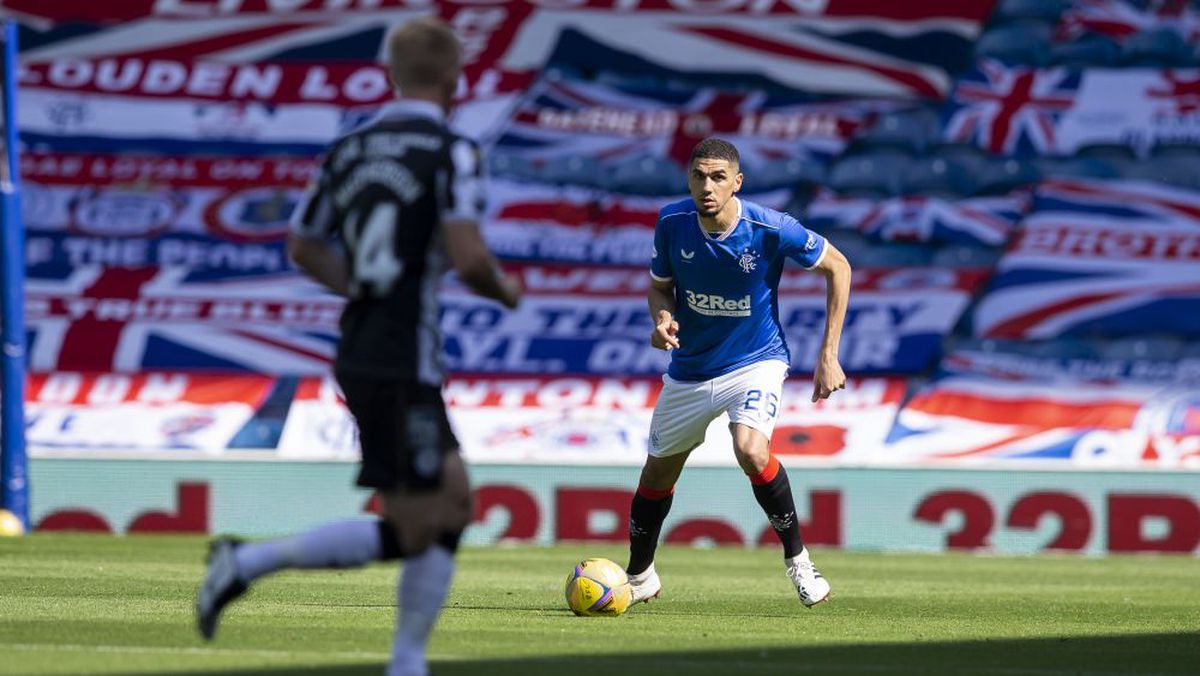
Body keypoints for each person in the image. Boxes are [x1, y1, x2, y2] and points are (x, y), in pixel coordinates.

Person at [196, 17, 522, 676]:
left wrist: (365, 287)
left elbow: (303, 245)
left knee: (451, 502)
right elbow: (468, 254)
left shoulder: (348, 149)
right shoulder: (452, 151)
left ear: (390, 75)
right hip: (401, 352)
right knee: (419, 523)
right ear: (455, 79)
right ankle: (247, 564)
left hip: (367, 342)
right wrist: (505, 290)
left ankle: (405, 658)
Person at [626, 137, 850, 608]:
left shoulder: (770, 227)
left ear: (737, 183)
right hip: (690, 368)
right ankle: (640, 575)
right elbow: (659, 287)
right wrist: (662, 319)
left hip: (755, 361)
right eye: (698, 176)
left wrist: (828, 354)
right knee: (657, 473)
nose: (706, 187)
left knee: (750, 449)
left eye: (718, 177)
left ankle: (800, 561)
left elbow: (839, 267)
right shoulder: (671, 222)